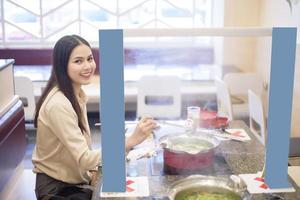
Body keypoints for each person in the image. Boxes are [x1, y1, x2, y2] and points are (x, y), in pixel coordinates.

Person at [32, 35, 157, 200]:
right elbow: (85, 159)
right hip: (55, 189)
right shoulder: (58, 104)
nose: (87, 66)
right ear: (62, 65)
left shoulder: (76, 94)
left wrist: (89, 173)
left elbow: (79, 151)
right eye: (78, 61)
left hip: (73, 180)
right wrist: (131, 140)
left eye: (90, 59)